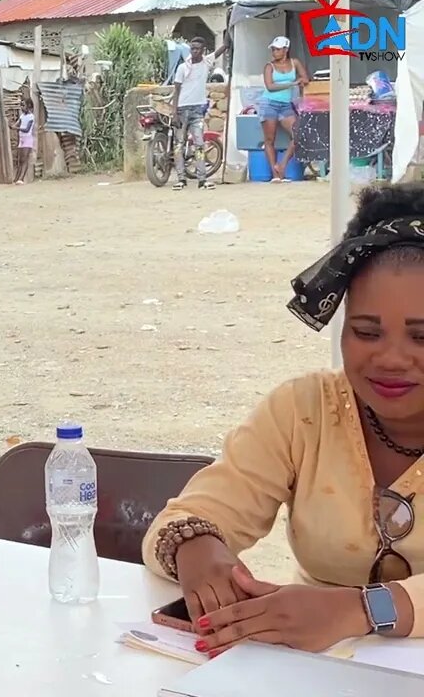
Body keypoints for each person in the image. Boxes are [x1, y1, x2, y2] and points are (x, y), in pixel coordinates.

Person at [141, 183, 424, 657]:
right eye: (365, 332)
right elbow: (190, 515)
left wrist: (360, 610)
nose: (390, 359)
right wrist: (198, 548)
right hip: (316, 671)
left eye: (422, 337)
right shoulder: (304, 411)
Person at [170, 36, 226, 191]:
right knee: (179, 145)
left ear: (203, 50)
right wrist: (174, 112)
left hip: (197, 109)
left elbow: (224, 47)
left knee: (199, 144)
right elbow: (176, 90)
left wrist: (229, 27)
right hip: (182, 109)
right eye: (192, 48)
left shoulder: (206, 62)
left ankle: (202, 180)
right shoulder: (183, 68)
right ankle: (181, 178)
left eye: (197, 49)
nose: (194, 51)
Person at [260, 36, 309, 182]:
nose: (274, 52)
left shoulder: (295, 63)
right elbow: (270, 86)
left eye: (277, 49)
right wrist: (293, 84)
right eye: (273, 49)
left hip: (286, 105)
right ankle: (276, 175)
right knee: (269, 139)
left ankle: (281, 166)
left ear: (286, 50)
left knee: (298, 134)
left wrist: (300, 81)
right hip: (269, 103)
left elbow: (305, 78)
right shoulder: (269, 66)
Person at [15, 98, 35, 185]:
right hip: (21, 139)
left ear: (28, 106)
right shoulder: (22, 116)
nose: (21, 108)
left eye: (23, 105)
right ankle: (17, 178)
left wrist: (16, 128)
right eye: (21, 106)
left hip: (27, 139)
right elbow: (17, 123)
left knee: (24, 159)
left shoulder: (31, 117)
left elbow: (26, 129)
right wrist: (12, 125)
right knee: (20, 160)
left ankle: (21, 178)